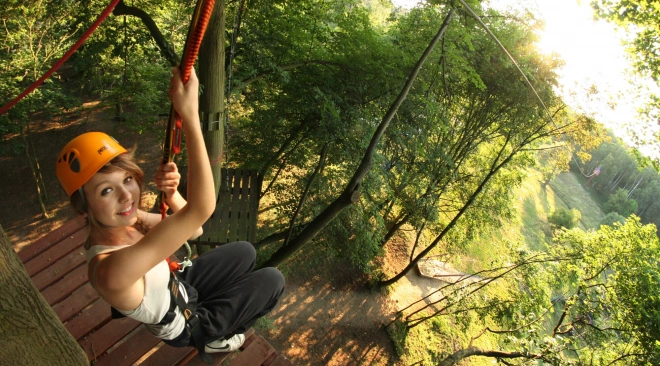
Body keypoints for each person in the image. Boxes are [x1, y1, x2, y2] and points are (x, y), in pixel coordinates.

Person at [55, 67, 284, 362]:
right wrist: (190, 115)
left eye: (127, 180)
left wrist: (172, 194)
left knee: (245, 251)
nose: (126, 196)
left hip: (178, 284)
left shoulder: (128, 221)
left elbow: (194, 231)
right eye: (105, 191)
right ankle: (216, 339)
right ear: (83, 206)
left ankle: (217, 304)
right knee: (273, 280)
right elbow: (202, 209)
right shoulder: (110, 271)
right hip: (188, 324)